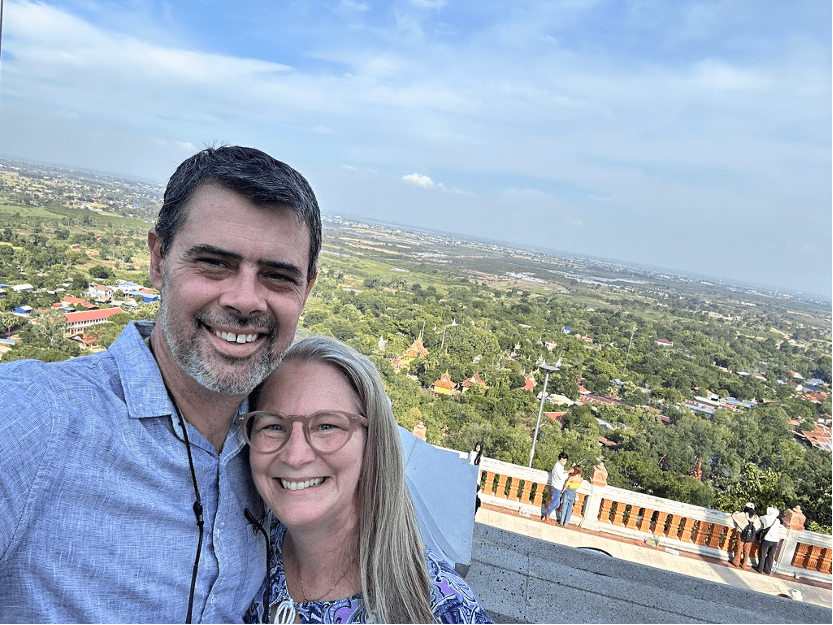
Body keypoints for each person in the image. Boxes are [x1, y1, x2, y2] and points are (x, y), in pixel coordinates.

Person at [0, 145, 321, 623]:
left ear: (307, 290)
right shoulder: (35, 420)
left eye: (277, 277)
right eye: (214, 263)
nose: (245, 300)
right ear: (158, 259)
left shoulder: (290, 451)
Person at [241, 335, 493, 624]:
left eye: (326, 426)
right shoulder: (246, 556)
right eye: (273, 425)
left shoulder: (441, 606)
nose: (295, 456)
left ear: (371, 444)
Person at [541, 452, 570, 524]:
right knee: (555, 503)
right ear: (561, 459)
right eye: (565, 460)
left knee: (556, 504)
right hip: (556, 487)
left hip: (558, 487)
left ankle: (547, 516)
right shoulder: (557, 467)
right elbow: (561, 477)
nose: (565, 462)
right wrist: (568, 472)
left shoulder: (560, 466)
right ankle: (546, 517)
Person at [730, 502, 761, 568]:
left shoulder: (742, 515)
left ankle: (736, 562)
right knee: (747, 550)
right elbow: (758, 526)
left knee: (739, 548)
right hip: (750, 535)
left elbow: (734, 515)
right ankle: (744, 564)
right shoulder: (755, 517)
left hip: (741, 533)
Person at [756, 506, 785, 575]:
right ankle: (767, 570)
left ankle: (760, 569)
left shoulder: (766, 517)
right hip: (775, 540)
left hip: (767, 539)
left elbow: (759, 518)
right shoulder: (777, 520)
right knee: (771, 556)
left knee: (763, 554)